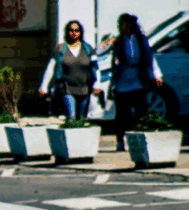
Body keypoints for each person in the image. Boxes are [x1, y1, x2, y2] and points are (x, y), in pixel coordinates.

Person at [100, 13, 164, 151]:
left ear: (129, 25)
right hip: (122, 80)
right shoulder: (118, 41)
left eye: (123, 24)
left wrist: (157, 75)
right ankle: (120, 140)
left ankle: (141, 138)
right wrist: (107, 43)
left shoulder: (141, 40)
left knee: (141, 111)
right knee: (122, 114)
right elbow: (99, 51)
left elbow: (150, 57)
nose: (120, 27)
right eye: (119, 24)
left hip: (138, 78)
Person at [38, 20, 100, 120]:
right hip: (67, 89)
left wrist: (97, 85)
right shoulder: (60, 49)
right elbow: (51, 68)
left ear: (80, 32)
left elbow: (95, 68)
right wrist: (44, 86)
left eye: (77, 30)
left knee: (81, 119)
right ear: (67, 32)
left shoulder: (88, 49)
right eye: (71, 30)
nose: (74, 33)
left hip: (85, 89)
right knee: (71, 118)